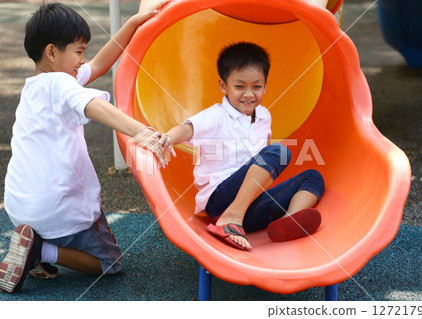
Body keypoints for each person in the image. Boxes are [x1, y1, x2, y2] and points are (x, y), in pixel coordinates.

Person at [0, 1, 169, 294]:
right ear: (52, 52)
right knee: (109, 263)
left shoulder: (38, 85)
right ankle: (41, 251)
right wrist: (141, 132)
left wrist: (131, 25)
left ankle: (34, 248)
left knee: (45, 221)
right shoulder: (61, 84)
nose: (83, 59)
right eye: (78, 52)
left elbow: (100, 64)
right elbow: (92, 106)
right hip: (59, 210)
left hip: (19, 206)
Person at [155, 42, 325, 251]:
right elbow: (187, 129)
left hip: (252, 210)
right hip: (221, 200)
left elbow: (261, 163)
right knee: (278, 151)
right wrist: (168, 138)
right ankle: (230, 217)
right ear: (223, 86)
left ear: (265, 85)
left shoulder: (264, 116)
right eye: (239, 86)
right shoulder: (216, 115)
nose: (248, 94)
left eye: (256, 86)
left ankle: (288, 222)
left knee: (313, 177)